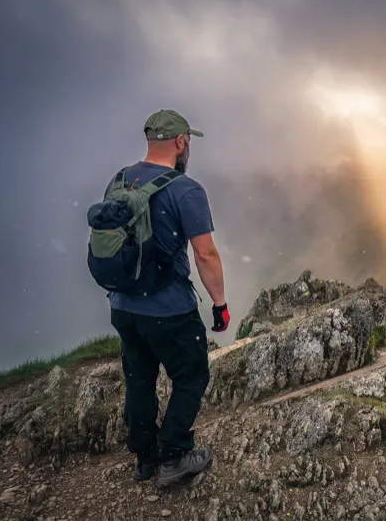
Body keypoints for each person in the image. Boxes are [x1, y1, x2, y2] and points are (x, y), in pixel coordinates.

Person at [105, 109, 231, 487]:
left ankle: (145, 460)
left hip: (124, 307)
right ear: (180, 142)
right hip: (169, 310)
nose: (188, 147)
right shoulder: (185, 189)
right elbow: (205, 254)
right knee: (192, 375)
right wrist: (220, 304)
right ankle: (175, 453)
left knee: (139, 380)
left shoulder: (120, 181)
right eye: (188, 141)